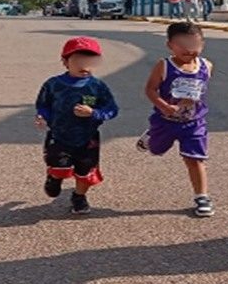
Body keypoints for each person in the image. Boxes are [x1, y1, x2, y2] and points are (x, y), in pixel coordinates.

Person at [135, 22, 215, 217]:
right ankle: (151, 136)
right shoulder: (164, 66)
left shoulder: (206, 66)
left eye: (194, 45)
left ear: (202, 44)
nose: (189, 50)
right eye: (182, 46)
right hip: (165, 121)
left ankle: (202, 197)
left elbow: (200, 91)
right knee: (156, 150)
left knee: (194, 159)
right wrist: (163, 106)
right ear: (170, 45)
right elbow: (150, 89)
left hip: (194, 123)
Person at [35, 36, 119, 214]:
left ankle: (79, 196)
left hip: (87, 139)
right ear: (65, 62)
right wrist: (42, 116)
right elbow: (43, 104)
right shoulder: (53, 85)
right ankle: (54, 178)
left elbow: (111, 109)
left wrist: (94, 113)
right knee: (58, 164)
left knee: (85, 170)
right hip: (59, 136)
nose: (85, 66)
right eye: (79, 61)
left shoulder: (98, 87)